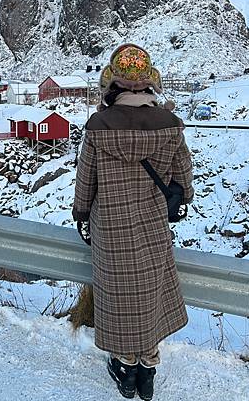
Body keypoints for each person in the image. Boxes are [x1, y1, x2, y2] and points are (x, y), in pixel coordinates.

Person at [72, 43, 194, 400]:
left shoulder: (98, 125)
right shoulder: (170, 125)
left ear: (113, 86)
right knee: (149, 292)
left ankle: (125, 369)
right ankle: (148, 369)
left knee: (119, 295)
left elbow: (86, 178)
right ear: (149, 85)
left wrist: (82, 215)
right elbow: (183, 178)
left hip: (110, 226)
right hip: (152, 222)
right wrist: (179, 196)